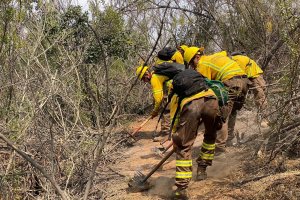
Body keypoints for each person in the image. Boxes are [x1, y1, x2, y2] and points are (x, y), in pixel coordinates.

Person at [183, 47, 249, 152]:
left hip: (231, 82)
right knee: (232, 112)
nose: (192, 66)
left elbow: (206, 87)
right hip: (244, 81)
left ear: (197, 57)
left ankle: (220, 147)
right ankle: (229, 140)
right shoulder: (216, 56)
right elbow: (224, 53)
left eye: (191, 63)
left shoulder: (202, 65)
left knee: (221, 116)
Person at [169, 69, 221, 199]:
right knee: (210, 135)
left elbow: (175, 119)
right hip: (211, 101)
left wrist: (176, 138)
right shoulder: (203, 83)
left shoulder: (175, 93)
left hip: (191, 106)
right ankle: (202, 170)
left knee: (183, 146)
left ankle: (181, 189)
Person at [135, 61, 185, 141]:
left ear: (146, 75)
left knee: (165, 111)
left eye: (143, 79)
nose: (144, 81)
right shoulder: (155, 74)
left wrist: (155, 111)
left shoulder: (154, 79)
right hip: (174, 90)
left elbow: (158, 100)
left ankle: (165, 134)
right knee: (165, 109)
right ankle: (165, 131)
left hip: (174, 91)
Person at [231, 52, 268, 127]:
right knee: (261, 98)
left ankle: (264, 120)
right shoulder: (242, 58)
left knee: (260, 98)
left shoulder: (236, 59)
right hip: (253, 76)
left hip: (254, 77)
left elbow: (237, 74)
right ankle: (261, 119)